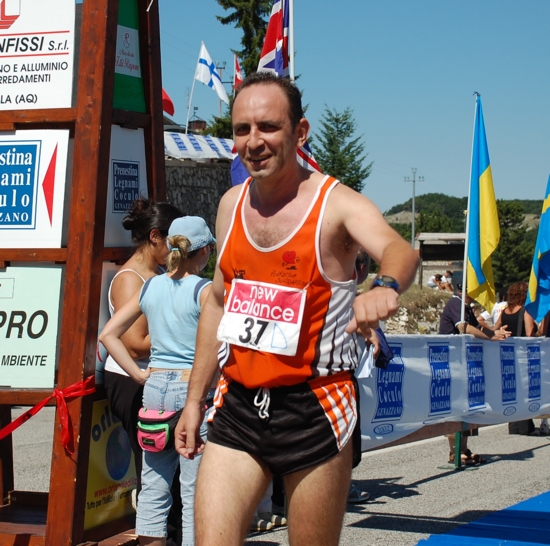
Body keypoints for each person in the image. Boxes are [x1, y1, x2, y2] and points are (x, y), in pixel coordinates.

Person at [174, 71, 419, 546]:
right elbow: (218, 302)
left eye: (268, 127)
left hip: (315, 407)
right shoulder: (230, 205)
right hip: (239, 404)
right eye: (242, 129)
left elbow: (400, 250)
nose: (254, 141)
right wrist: (192, 401)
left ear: (299, 132)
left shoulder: (335, 205)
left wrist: (385, 286)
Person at [100, 216, 215, 546]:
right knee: (194, 491)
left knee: (153, 484)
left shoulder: (151, 286)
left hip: (154, 390)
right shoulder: (205, 291)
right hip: (193, 391)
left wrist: (137, 373)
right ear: (204, 250)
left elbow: (109, 335)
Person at [103, 198, 182, 495]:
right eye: (172, 242)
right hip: (132, 381)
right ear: (154, 236)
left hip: (158, 378)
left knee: (171, 467)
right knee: (155, 469)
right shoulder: (129, 279)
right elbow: (135, 345)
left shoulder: (159, 274)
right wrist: (185, 336)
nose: (175, 250)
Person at [439, 282, 510, 464]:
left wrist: (495, 331)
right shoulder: (456, 303)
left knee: (466, 407)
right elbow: (464, 328)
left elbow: (477, 327)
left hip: (465, 364)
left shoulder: (466, 307)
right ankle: (454, 451)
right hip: (453, 363)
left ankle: (463, 448)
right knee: (455, 408)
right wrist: (490, 337)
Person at [493, 282, 540, 435]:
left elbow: (495, 329)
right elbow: (529, 334)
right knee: (524, 389)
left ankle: (513, 426)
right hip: (521, 355)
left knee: (512, 391)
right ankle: (525, 426)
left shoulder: (505, 311)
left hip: (506, 354)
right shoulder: (525, 311)